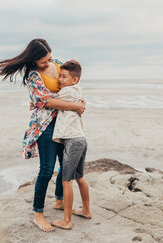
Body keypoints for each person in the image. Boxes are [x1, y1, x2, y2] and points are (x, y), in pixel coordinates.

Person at [0, 39, 85, 232]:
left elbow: (71, 83)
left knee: (65, 166)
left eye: (49, 58)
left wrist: (78, 98)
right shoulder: (33, 76)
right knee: (46, 169)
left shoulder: (57, 63)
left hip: (65, 123)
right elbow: (46, 102)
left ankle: (60, 201)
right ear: (34, 60)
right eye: (44, 61)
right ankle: (38, 214)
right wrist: (75, 105)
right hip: (46, 126)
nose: (48, 63)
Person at [49, 60, 92, 230]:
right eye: (59, 75)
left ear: (74, 80)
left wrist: (36, 102)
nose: (59, 79)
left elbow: (49, 101)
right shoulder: (75, 92)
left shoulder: (66, 92)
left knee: (67, 181)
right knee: (80, 177)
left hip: (72, 141)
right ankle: (86, 211)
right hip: (80, 139)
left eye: (64, 76)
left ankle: (67, 221)